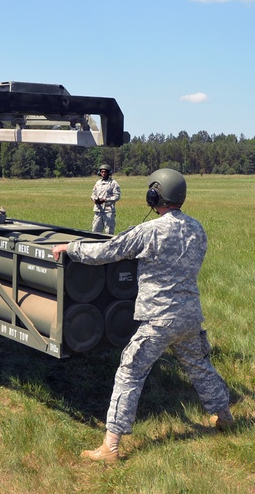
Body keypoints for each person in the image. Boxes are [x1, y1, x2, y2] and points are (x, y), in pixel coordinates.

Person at [52, 168, 233, 462]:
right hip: (189, 317)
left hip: (158, 320)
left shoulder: (150, 231)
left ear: (155, 195)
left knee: (129, 373)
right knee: (200, 368)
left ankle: (110, 447)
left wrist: (70, 248)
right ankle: (224, 416)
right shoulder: (197, 229)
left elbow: (108, 251)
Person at [90, 164, 121, 234]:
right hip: (98, 210)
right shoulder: (98, 183)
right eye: (102, 172)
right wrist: (94, 200)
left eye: (105, 172)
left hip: (108, 211)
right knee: (95, 231)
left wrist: (106, 200)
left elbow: (117, 196)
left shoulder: (113, 183)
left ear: (109, 173)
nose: (103, 174)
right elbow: (93, 194)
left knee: (109, 231)